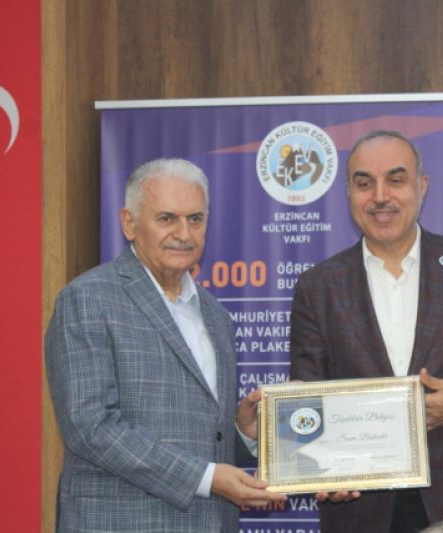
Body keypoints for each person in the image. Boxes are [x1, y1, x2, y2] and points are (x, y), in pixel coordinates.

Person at [289, 130, 443, 532]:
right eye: (364, 183)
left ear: (421, 186)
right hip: (360, 509)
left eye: (396, 179)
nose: (380, 196)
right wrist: (319, 469)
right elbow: (306, 398)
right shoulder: (318, 286)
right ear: (349, 193)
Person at [45, 158, 285, 532]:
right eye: (166, 218)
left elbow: (202, 438)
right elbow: (89, 427)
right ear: (129, 223)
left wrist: (241, 431)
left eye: (196, 219)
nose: (184, 233)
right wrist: (207, 478)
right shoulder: (87, 299)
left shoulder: (216, 315)